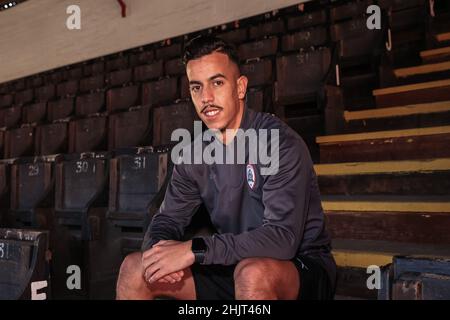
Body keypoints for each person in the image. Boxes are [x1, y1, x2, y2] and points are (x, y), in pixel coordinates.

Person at [116, 35, 336, 300]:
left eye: (217, 83)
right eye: (196, 87)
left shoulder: (278, 143)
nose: (206, 97)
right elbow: (166, 219)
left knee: (252, 274)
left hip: (299, 267)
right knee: (135, 269)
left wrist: (194, 250)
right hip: (231, 261)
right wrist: (158, 252)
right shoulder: (193, 155)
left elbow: (282, 240)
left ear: (240, 87)